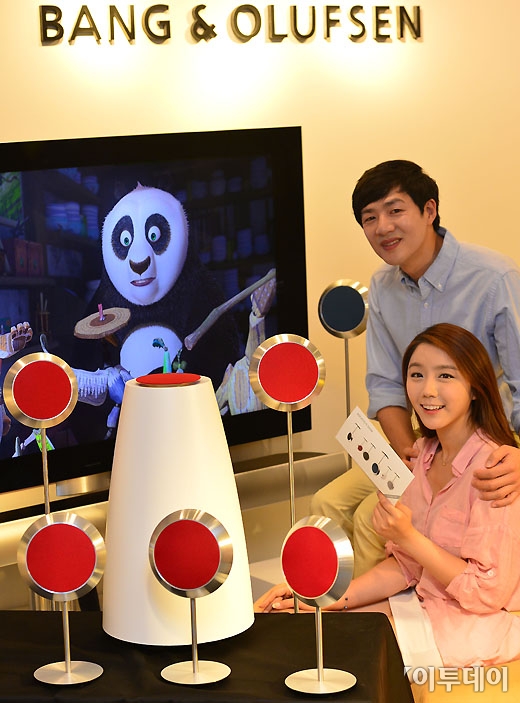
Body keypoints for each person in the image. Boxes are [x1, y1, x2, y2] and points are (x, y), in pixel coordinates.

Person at [257, 323, 520, 667]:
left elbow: (486, 593)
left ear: (475, 388)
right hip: (421, 604)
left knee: (330, 651)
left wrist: (408, 537)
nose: (427, 390)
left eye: (445, 376)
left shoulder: (495, 471)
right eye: (416, 375)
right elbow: (405, 566)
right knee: (293, 621)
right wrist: (329, 598)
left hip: (472, 624)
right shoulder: (423, 455)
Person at [311, 160, 520, 577]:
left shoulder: (494, 279)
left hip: (482, 437)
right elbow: (386, 387)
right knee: (325, 503)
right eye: (370, 218)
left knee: (374, 519)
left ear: (429, 210)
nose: (383, 227)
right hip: (422, 441)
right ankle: (339, 603)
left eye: (395, 210)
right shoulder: (382, 287)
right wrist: (410, 455)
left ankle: (392, 610)